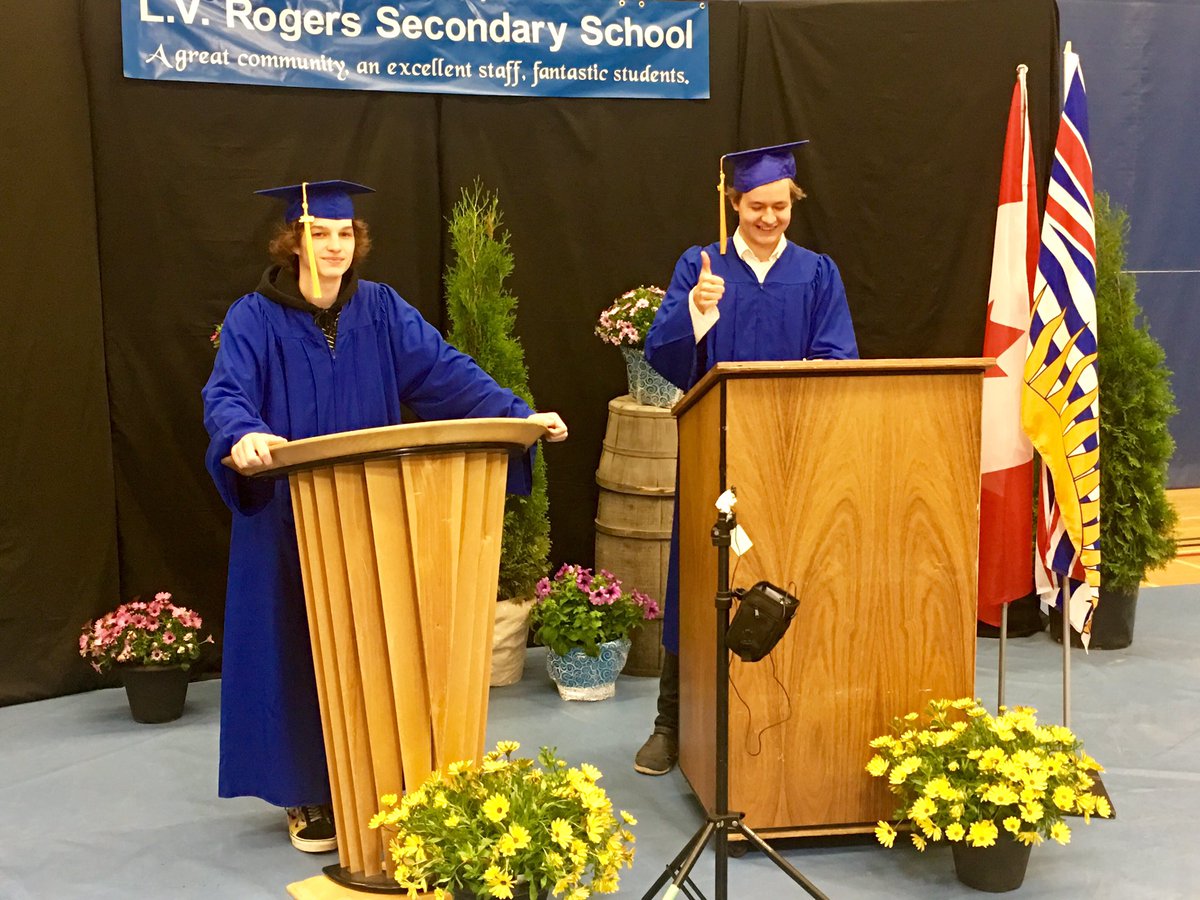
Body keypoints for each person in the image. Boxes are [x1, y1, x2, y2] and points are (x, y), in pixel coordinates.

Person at [202, 180, 567, 852]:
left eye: (344, 234)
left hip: (374, 512)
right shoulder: (254, 318)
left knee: (374, 642)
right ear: (293, 242)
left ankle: (378, 777)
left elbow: (445, 373)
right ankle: (307, 793)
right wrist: (242, 433)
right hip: (289, 516)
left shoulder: (380, 309)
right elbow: (228, 394)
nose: (334, 246)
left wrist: (518, 414)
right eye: (319, 234)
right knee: (295, 645)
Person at [634, 143, 858, 776]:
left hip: (791, 453)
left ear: (793, 202)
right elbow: (664, 357)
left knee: (791, 565)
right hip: (717, 451)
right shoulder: (702, 266)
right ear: (734, 202)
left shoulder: (817, 273)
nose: (768, 218)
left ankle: (789, 713)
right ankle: (672, 723)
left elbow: (837, 356)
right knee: (698, 578)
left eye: (779, 206)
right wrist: (697, 311)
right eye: (757, 205)